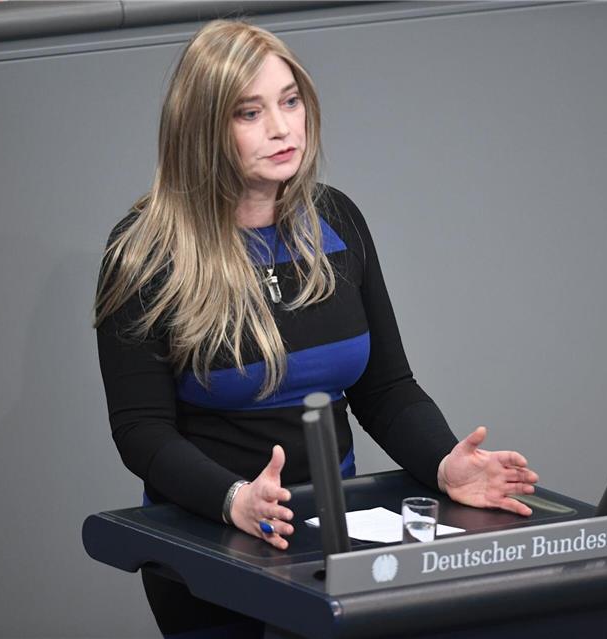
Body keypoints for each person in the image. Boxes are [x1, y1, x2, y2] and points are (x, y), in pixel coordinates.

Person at [94, 19, 539, 638]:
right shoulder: (144, 253)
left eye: (290, 100)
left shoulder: (336, 220)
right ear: (202, 130)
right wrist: (234, 499)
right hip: (207, 536)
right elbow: (141, 430)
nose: (282, 127)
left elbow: (386, 389)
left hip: (333, 535)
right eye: (249, 113)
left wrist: (443, 464)